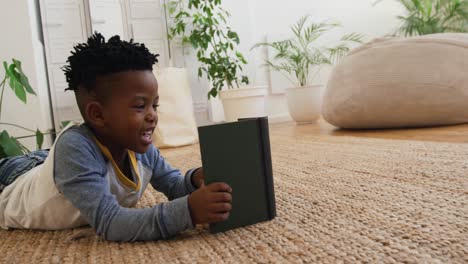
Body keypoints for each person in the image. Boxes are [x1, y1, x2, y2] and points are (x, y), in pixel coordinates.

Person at [0, 33, 232, 241]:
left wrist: (195, 181)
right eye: (141, 106)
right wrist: (189, 211)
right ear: (97, 114)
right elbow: (112, 223)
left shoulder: (140, 147)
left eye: (155, 104)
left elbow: (174, 185)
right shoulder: (75, 148)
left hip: (48, 165)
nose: (152, 115)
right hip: (12, 180)